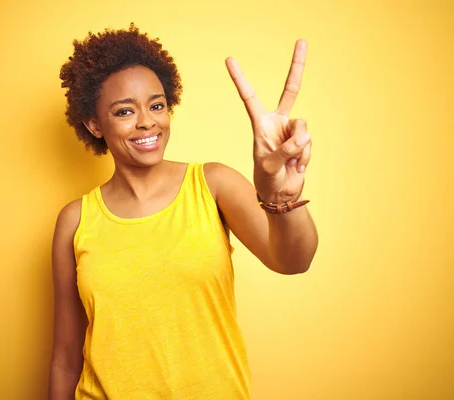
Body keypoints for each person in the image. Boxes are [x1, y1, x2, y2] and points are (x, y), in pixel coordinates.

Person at [49, 23, 318, 400]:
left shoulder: (212, 184)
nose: (147, 121)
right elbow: (64, 358)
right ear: (94, 124)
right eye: (124, 111)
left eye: (156, 105)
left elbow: (293, 261)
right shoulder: (75, 220)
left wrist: (283, 197)